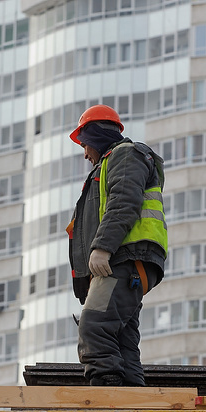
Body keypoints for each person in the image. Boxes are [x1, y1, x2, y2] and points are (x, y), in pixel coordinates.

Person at [67, 104, 168, 386]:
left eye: (85, 144)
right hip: (126, 263)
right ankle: (133, 402)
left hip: (124, 260)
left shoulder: (125, 155)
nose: (85, 154)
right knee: (121, 341)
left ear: (96, 136)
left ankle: (109, 398)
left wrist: (103, 248)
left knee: (95, 327)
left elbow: (124, 202)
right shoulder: (112, 163)